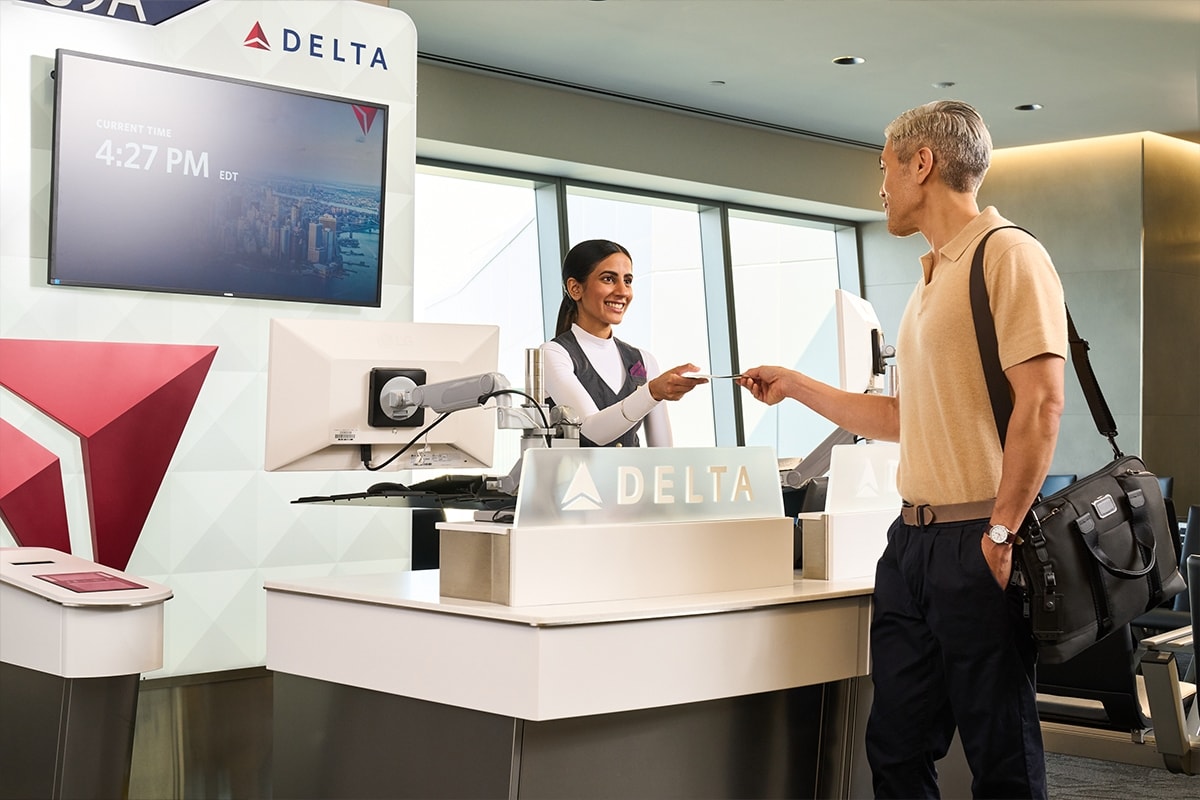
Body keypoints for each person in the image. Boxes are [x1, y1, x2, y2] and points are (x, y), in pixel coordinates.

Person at [739, 101, 1066, 799]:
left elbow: (1042, 403)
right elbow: (902, 416)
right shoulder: (928, 280)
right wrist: (796, 386)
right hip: (912, 544)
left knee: (1000, 755)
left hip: (978, 537)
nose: (880, 186)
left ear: (922, 163)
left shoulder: (1006, 253)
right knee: (895, 748)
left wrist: (1003, 527)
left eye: (884, 167)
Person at [541, 238, 705, 447]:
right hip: (575, 480)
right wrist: (652, 391)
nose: (623, 291)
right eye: (608, 279)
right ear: (575, 288)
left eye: (627, 281)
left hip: (631, 480)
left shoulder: (643, 361)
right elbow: (592, 430)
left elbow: (663, 451)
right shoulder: (553, 354)